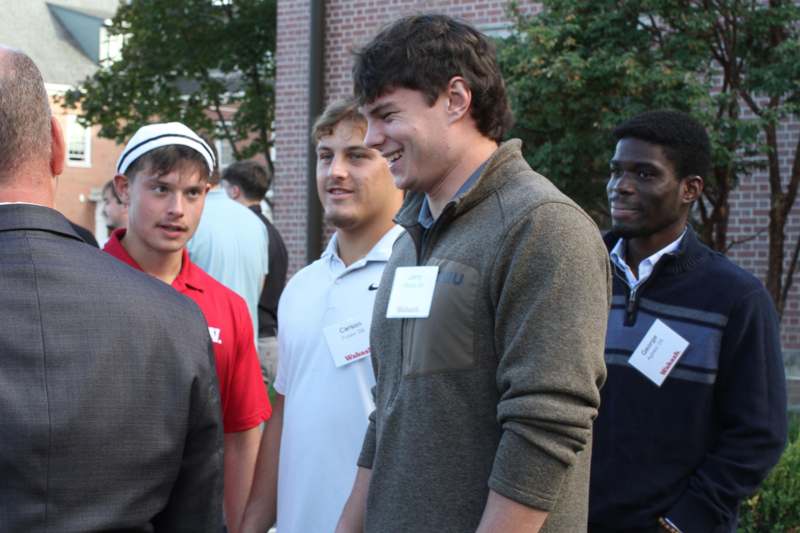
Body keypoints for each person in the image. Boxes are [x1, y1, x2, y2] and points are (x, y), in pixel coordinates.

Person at [337, 14, 610, 533]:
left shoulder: (543, 226)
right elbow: (388, 409)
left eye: (387, 115)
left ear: (456, 100)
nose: (373, 138)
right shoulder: (410, 239)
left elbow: (546, 424)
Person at [0, 46, 223, 532]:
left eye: (192, 192)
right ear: (59, 146)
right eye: (163, 188)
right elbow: (198, 514)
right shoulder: (175, 319)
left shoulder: (182, 316)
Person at [589, 110, 787, 533]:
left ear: (690, 189)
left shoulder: (734, 298)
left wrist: (684, 522)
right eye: (616, 171)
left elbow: (758, 434)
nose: (620, 186)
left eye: (644, 174)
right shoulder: (577, 274)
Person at [239, 100, 404, 533]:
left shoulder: (419, 280)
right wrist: (254, 522)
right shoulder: (302, 286)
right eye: (326, 156)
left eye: (357, 155)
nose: (336, 172)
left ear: (395, 164)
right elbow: (285, 413)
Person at [104, 122, 271, 533]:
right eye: (161, 189)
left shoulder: (226, 306)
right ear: (124, 188)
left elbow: (243, 433)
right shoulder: (83, 284)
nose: (177, 208)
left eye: (193, 193)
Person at [187, 153, 269, 344]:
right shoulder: (256, 223)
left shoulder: (188, 219)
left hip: (201, 352)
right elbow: (260, 285)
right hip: (246, 347)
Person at [221, 160, 289, 387]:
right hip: (269, 338)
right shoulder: (272, 232)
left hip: (254, 339)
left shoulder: (246, 232)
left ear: (234, 191)